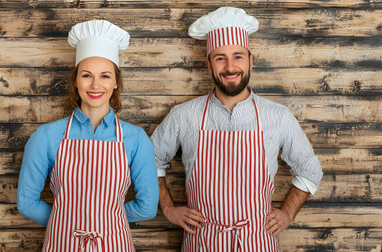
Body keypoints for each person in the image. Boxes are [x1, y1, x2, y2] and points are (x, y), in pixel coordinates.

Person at [151, 7, 323, 251]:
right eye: (220, 57)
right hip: (202, 242)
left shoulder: (277, 116)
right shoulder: (184, 115)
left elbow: (310, 170)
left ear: (251, 60)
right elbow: (149, 161)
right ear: (209, 65)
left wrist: (287, 213)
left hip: (258, 242)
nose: (230, 67)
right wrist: (169, 209)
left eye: (238, 56)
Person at [17, 20, 159, 251]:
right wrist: (65, 222)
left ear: (115, 82)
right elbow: (27, 202)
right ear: (75, 80)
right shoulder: (47, 136)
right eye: (86, 75)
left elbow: (147, 207)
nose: (95, 85)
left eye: (104, 76)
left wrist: (105, 222)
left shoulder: (135, 138)